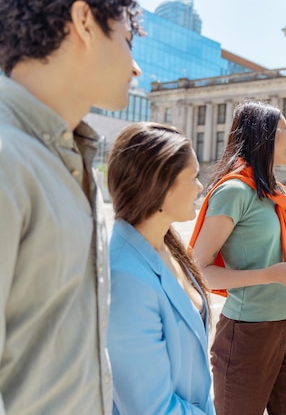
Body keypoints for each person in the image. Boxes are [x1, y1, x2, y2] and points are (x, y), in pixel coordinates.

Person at [0, 0, 142, 414]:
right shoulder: (9, 157)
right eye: (128, 41)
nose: (136, 67)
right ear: (84, 21)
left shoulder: (70, 156)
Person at [189, 100, 286, 415]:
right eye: (284, 128)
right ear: (263, 135)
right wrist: (271, 275)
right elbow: (198, 269)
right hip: (248, 331)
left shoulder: (274, 191)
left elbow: (269, 256)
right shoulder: (234, 191)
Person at [106, 123, 216, 415]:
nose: (200, 186)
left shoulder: (167, 243)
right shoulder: (125, 276)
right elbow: (151, 408)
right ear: (160, 184)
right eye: (193, 177)